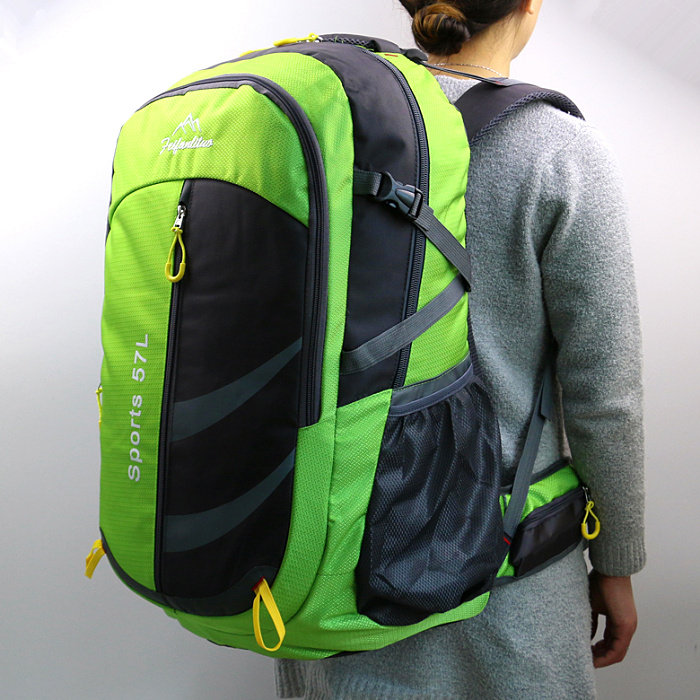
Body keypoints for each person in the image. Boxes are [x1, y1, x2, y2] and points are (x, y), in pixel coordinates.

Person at [275, 1, 645, 697]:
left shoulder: (326, 123)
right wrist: (617, 563)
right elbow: (606, 395)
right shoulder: (556, 150)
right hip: (507, 597)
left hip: (323, 584)